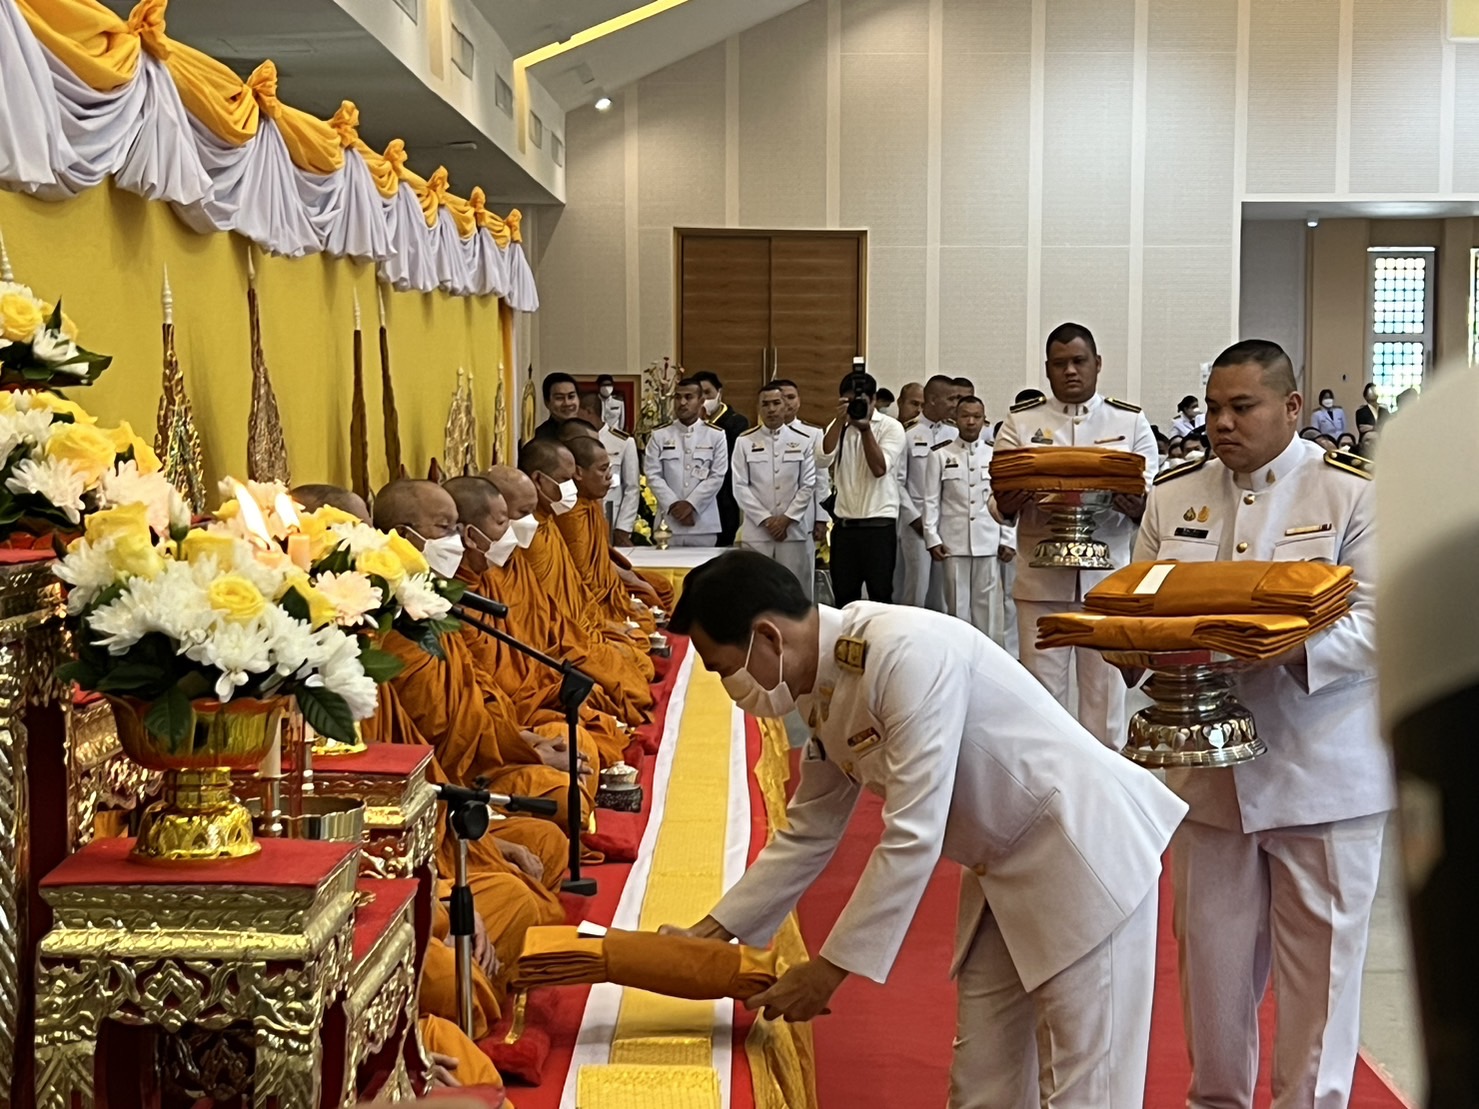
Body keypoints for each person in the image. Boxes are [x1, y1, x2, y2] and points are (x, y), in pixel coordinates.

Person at [662, 550, 1187, 1109]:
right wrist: (712, 933)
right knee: (982, 1085)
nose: (729, 685)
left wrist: (829, 971)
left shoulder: (902, 651)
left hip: (1083, 854)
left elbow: (914, 829)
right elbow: (810, 830)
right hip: (1001, 871)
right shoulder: (820, 683)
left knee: (1088, 1087)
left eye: (723, 667)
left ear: (767, 637)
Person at [1138, 339, 1392, 1109]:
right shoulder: (1171, 495)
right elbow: (1140, 607)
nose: (1220, 422)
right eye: (1213, 406)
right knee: (1211, 981)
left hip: (1323, 771)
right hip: (1210, 779)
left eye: (1240, 407)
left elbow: (1382, 619)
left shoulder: (1353, 496)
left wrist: (1267, 647)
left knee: (1319, 986)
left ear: (1289, 407)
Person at [993, 322, 1157, 749]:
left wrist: (1135, 504)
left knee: (1104, 699)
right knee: (1040, 696)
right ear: (1047, 370)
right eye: (1060, 364)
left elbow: (1153, 501)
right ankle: (1046, 784)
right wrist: (1012, 499)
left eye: (1079, 361)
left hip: (1107, 585)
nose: (1070, 371)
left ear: (1097, 364)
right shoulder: (1019, 423)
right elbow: (996, 502)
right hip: (1040, 583)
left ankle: (1104, 785)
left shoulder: (1129, 421)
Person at [922, 396, 1014, 644]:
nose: (971, 422)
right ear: (956, 419)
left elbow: (1006, 500)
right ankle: (959, 655)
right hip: (954, 542)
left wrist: (1008, 538)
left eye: (976, 417)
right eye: (965, 416)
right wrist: (932, 537)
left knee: (988, 612)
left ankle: (988, 658)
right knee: (956, 608)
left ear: (985, 420)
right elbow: (931, 500)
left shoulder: (995, 454)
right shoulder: (940, 455)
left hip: (988, 541)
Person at [815, 368, 906, 605]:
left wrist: (865, 429)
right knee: (844, 598)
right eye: (849, 400)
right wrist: (838, 421)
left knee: (880, 595)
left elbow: (879, 468)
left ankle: (880, 643)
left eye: (861, 401)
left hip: (879, 525)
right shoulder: (840, 426)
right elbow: (822, 459)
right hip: (844, 527)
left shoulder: (890, 427)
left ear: (874, 400)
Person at [731, 382, 818, 598]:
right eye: (765, 404)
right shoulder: (744, 441)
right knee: (757, 592)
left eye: (776, 403)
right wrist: (766, 520)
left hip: (793, 531)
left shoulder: (803, 441)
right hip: (758, 531)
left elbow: (808, 484)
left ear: (786, 406)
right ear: (759, 408)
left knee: (796, 592)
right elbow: (740, 486)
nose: (771, 409)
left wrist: (787, 519)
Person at [895, 375, 958, 610]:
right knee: (916, 588)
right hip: (917, 524)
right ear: (933, 400)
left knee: (945, 590)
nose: (954, 404)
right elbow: (897, 482)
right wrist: (914, 518)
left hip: (947, 522)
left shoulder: (954, 434)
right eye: (950, 399)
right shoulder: (907, 433)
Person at [643, 378, 730, 547]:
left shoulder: (715, 435)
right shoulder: (660, 435)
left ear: (701, 401)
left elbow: (717, 476)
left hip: (703, 523)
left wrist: (691, 505)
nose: (682, 403)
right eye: (677, 397)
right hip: (667, 523)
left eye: (689, 397)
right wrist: (674, 505)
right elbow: (652, 475)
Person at [691, 370, 750, 546]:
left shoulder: (735, 422)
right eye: (700, 394)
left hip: (724, 497)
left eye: (708, 393)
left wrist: (704, 424)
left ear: (719, 393)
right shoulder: (688, 425)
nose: (704, 399)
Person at [775, 378, 832, 550]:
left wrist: (821, 518)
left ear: (799, 401)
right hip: (766, 521)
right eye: (781, 398)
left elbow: (821, 479)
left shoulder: (812, 434)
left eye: (791, 397)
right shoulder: (754, 437)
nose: (786, 402)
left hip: (802, 521)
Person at [576, 391, 639, 546]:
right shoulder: (574, 441)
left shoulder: (623, 441)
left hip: (612, 518)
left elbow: (632, 488)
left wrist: (623, 527)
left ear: (589, 411)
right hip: (581, 519)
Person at [532, 372, 580, 441]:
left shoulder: (588, 431)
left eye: (571, 396)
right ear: (547, 402)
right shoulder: (537, 440)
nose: (567, 403)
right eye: (559, 398)